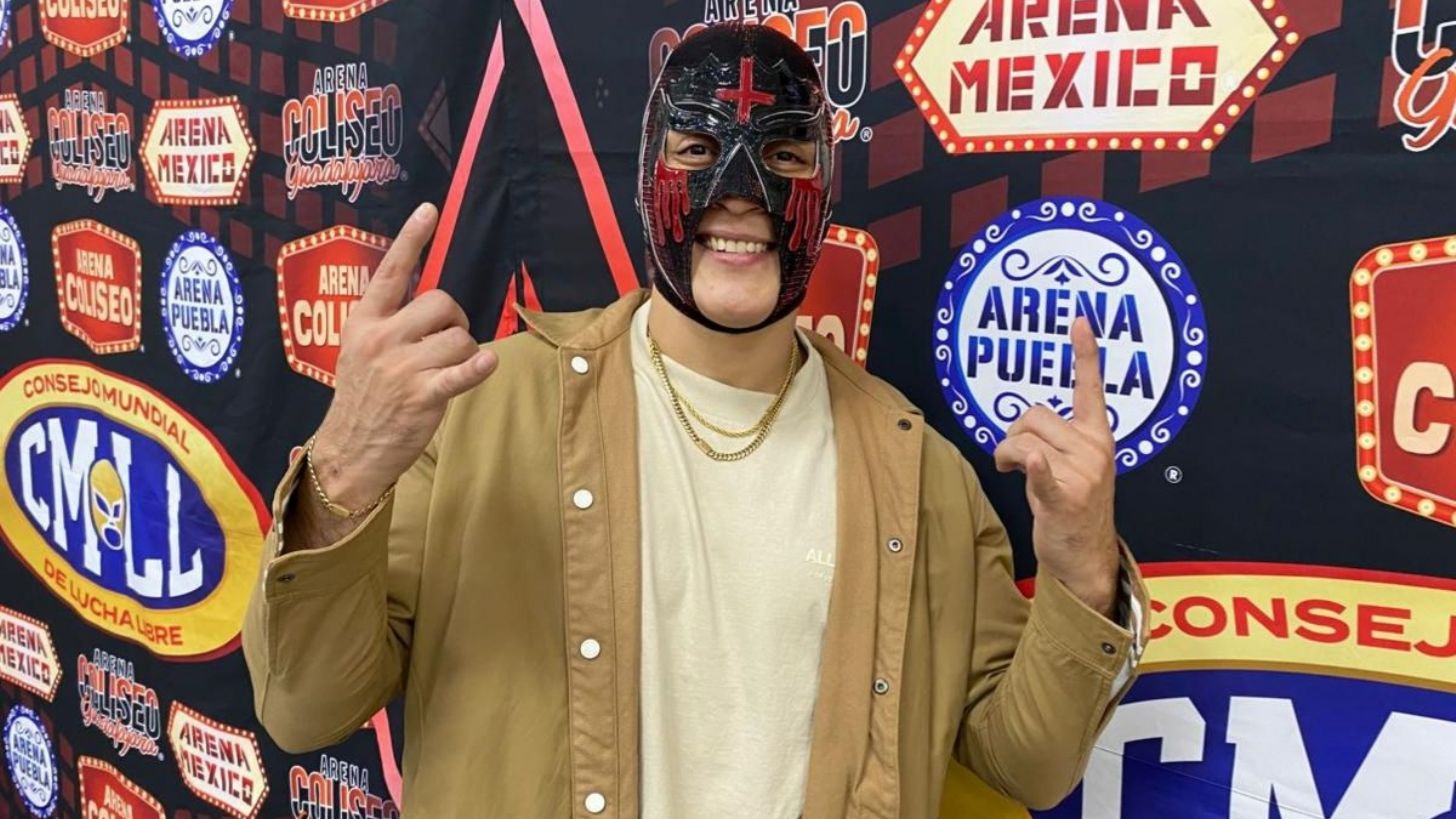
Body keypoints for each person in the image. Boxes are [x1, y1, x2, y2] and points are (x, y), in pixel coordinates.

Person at [242, 22, 1147, 819]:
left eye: (784, 155)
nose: (740, 189)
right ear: (647, 176)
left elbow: (1027, 762)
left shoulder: (920, 475)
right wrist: (342, 474)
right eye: (698, 147)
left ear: (825, 190)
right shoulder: (483, 417)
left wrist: (1080, 571)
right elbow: (304, 707)